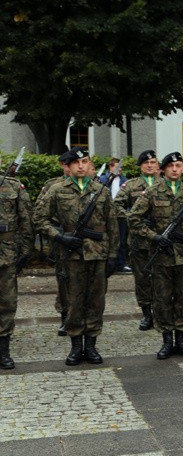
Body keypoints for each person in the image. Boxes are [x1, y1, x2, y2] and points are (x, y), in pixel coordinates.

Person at [34, 147, 119, 366]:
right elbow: (40, 219)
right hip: (70, 255)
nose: (81, 166)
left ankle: (91, 346)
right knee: (73, 301)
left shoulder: (101, 191)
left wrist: (112, 256)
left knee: (95, 301)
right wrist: (60, 236)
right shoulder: (57, 190)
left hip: (98, 254)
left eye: (85, 162)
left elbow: (112, 225)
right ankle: (75, 347)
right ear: (69, 166)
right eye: (77, 162)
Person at [128, 152, 183, 359]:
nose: (175, 169)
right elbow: (134, 219)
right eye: (171, 166)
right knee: (162, 299)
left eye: (179, 165)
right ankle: (166, 340)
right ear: (163, 169)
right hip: (161, 257)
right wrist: (154, 237)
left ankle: (181, 339)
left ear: (182, 169)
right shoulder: (152, 192)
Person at [114, 150, 160, 330]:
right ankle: (147, 314)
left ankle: (160, 313)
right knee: (142, 279)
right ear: (140, 166)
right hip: (139, 241)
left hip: (160, 240)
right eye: (146, 163)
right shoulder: (131, 185)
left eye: (153, 162)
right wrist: (133, 219)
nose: (150, 165)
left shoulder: (164, 184)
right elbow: (116, 205)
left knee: (161, 279)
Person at [0, 154, 34, 369]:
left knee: (6, 303)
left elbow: (26, 220)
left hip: (6, 253)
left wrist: (25, 251)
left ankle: (3, 350)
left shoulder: (12, 186)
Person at [39, 150, 72, 336]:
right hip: (61, 239)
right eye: (68, 164)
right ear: (63, 165)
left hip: (85, 242)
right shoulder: (52, 185)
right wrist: (55, 232)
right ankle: (65, 316)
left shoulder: (93, 185)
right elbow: (39, 213)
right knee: (63, 279)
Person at [100, 158, 131, 273]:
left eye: (121, 167)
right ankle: (106, 263)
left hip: (120, 214)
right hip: (106, 215)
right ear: (111, 167)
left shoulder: (125, 180)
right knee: (107, 238)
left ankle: (121, 263)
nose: (120, 169)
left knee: (122, 239)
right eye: (117, 167)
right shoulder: (103, 179)